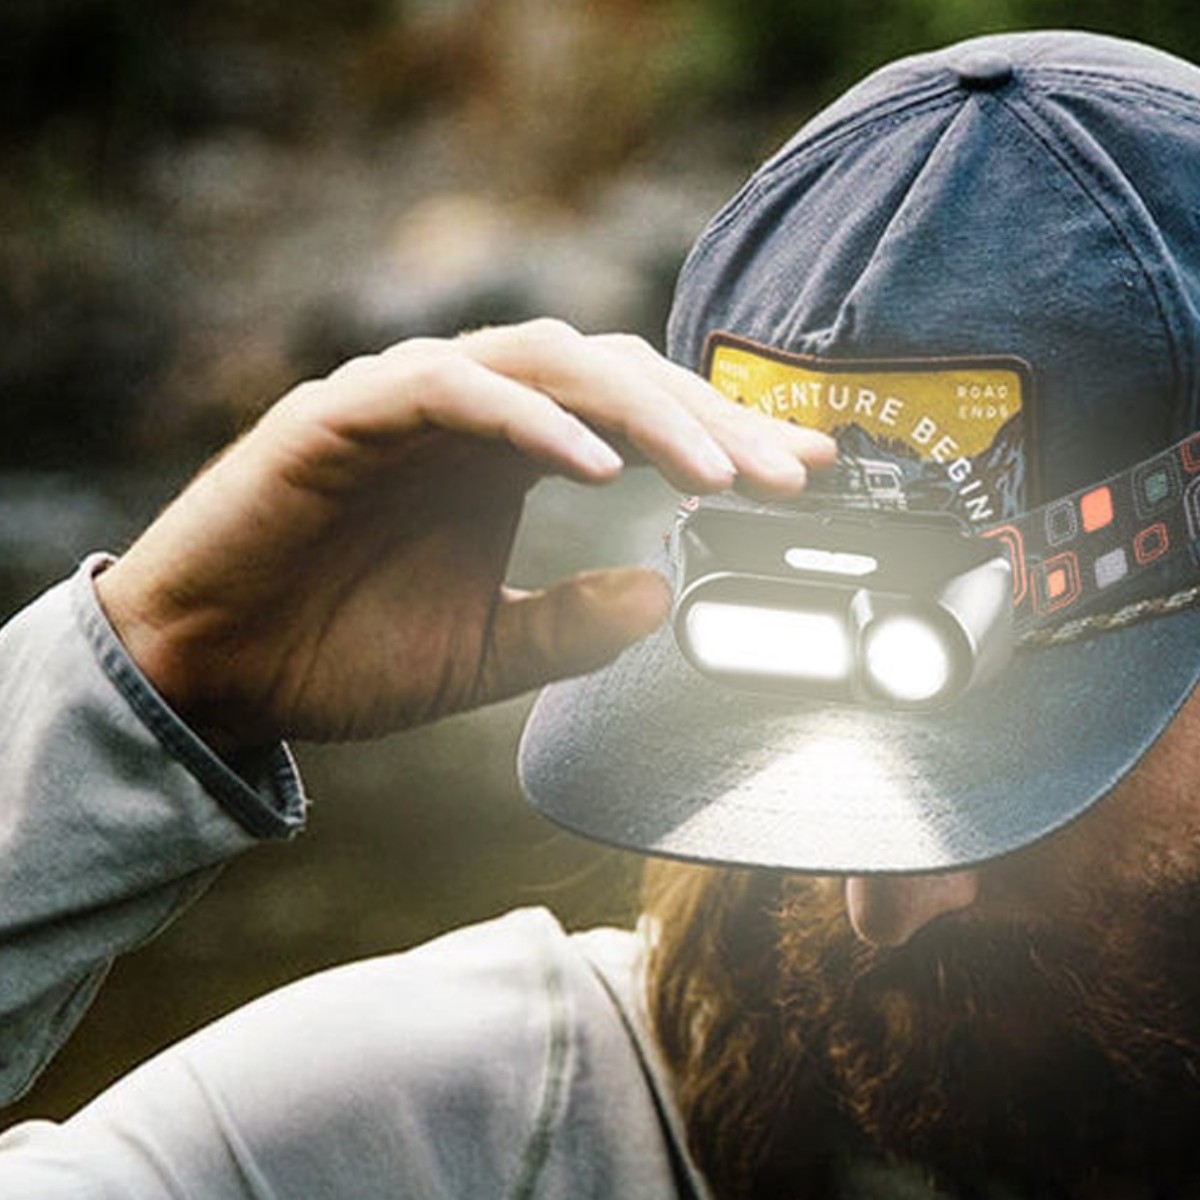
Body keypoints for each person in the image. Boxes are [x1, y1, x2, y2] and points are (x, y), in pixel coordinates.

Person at [2, 26, 1200, 1200]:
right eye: (815, 755)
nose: (882, 904)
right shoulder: (464, 1129)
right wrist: (149, 678)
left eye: (1051, 752)